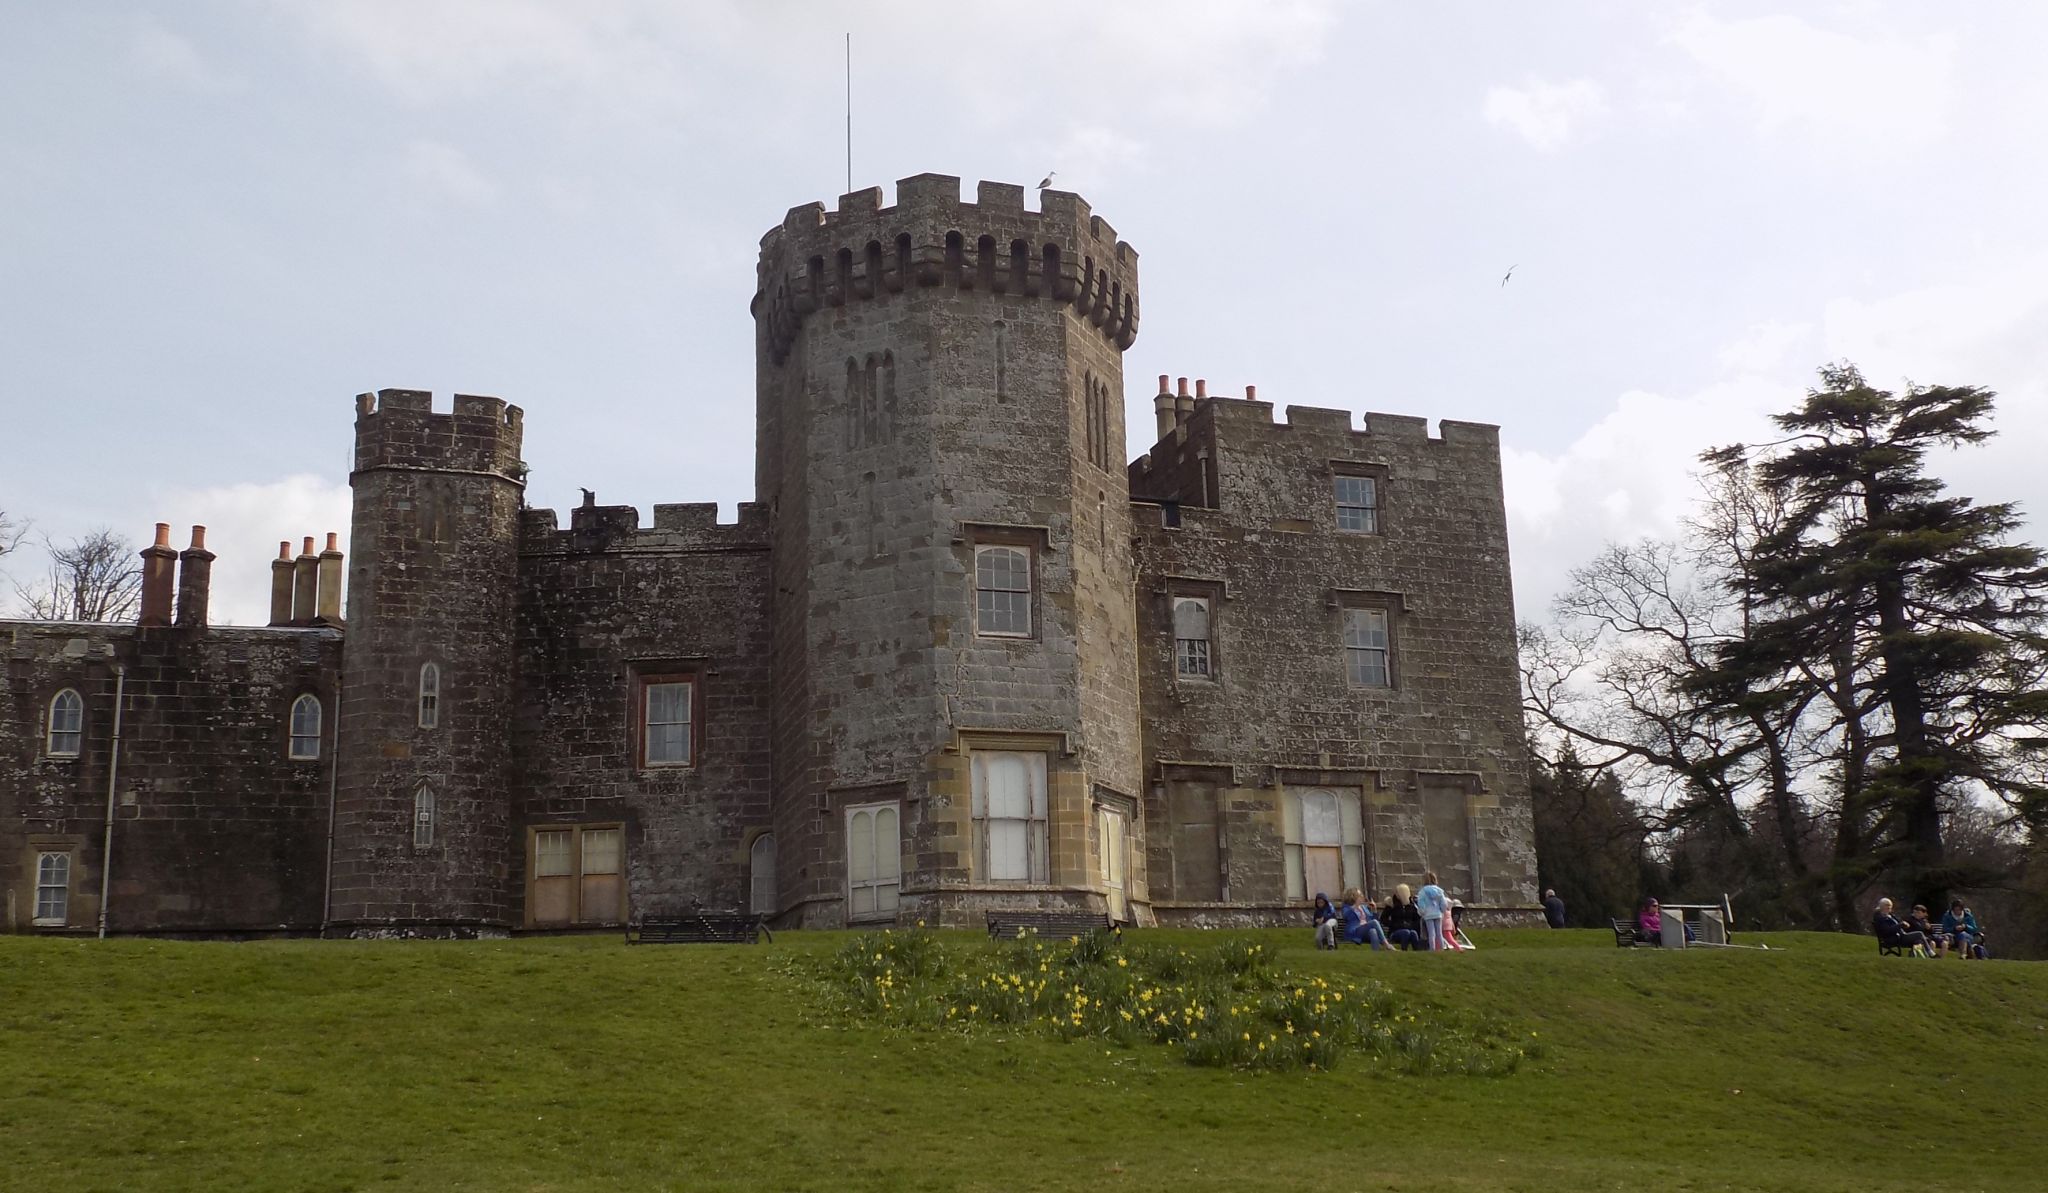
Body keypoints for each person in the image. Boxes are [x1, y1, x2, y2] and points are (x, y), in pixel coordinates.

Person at [1380, 884, 1424, 950]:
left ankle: (1417, 952)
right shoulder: (1392, 904)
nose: (1396, 894)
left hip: (1409, 929)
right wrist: (1393, 924)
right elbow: (1383, 918)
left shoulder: (1412, 906)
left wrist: (1410, 925)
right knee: (1405, 932)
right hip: (1395, 932)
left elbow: (1417, 919)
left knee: (1413, 933)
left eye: (1398, 892)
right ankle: (1403, 951)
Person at [1416, 871, 1450, 951]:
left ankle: (1432, 949)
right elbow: (1444, 903)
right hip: (1438, 913)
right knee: (1439, 933)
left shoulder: (1423, 891)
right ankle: (1441, 949)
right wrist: (1442, 910)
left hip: (1428, 914)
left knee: (1431, 933)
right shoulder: (1440, 891)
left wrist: (1422, 912)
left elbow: (1421, 903)